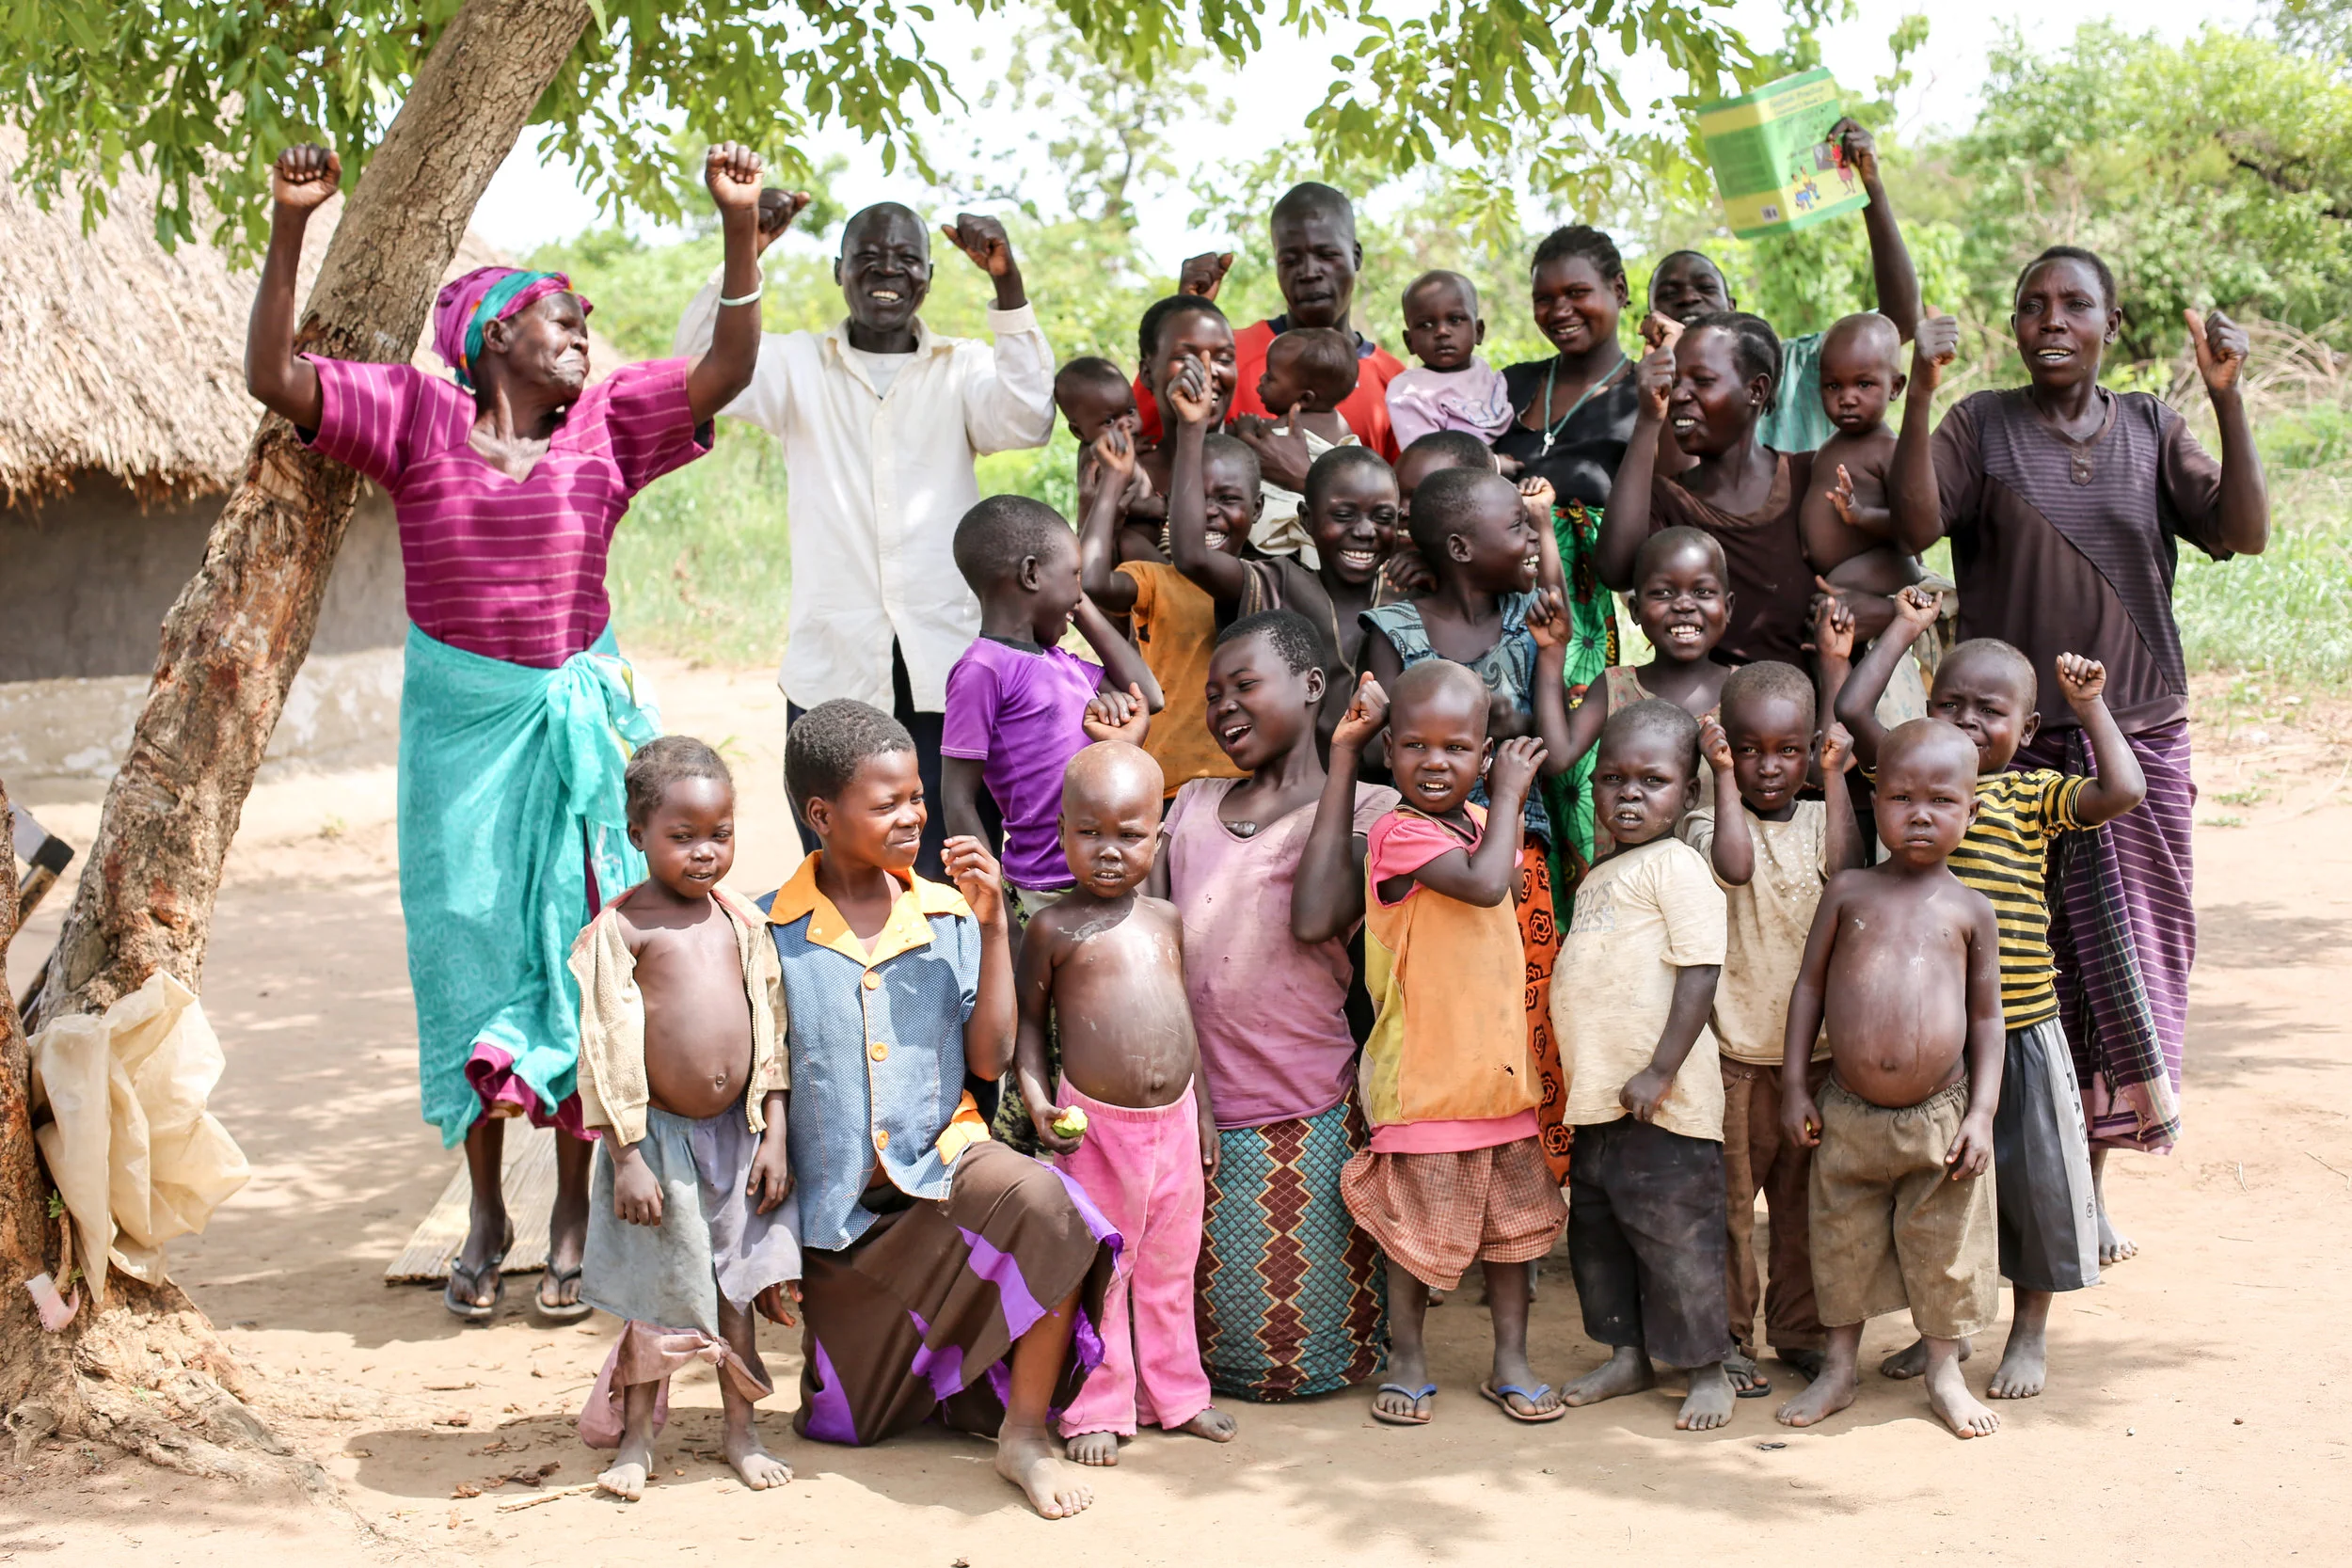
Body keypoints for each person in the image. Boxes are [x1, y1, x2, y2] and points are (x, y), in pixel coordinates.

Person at [246, 142, 769, 1323]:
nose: (583, 329)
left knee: (588, 957)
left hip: (583, 733)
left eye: (584, 318)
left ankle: (573, 1215)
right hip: (463, 737)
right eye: (557, 316)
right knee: (475, 954)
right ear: (491, 337)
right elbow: (274, 374)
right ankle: (487, 1210)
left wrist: (736, 233)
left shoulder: (612, 427)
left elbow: (726, 367)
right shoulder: (416, 417)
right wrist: (291, 228)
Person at [1886, 245, 2269, 1259]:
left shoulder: (2151, 425)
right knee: (2020, 970)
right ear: (2014, 325)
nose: (2051, 320)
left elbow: (2243, 531)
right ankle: (1997, 1183)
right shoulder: (1978, 424)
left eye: (2074, 305)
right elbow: (1918, 520)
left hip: (2132, 740)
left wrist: (2227, 402)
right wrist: (1922, 389)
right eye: (2032, 306)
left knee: (2120, 973)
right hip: (2006, 755)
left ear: (2108, 321)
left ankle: (2082, 1183)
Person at [758, 700, 1118, 1520]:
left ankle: (1024, 1435)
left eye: (916, 796)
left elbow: (988, 1059)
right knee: (842, 1427)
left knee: (1045, 1204)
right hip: (839, 1221)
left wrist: (993, 928)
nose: (913, 815)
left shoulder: (948, 912)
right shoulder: (768, 929)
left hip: (945, 1164)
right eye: (887, 803)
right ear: (821, 815)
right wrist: (768, 1250)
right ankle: (951, 1380)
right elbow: (763, 1087)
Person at [673, 197, 1056, 880]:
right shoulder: (794, 365)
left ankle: (959, 989)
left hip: (948, 668)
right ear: (838, 271)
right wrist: (743, 252)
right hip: (833, 666)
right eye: (869, 258)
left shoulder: (962, 369)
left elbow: (1028, 418)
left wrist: (1008, 284)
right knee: (839, 874)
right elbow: (697, 371)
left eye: (907, 259)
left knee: (951, 872)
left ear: (930, 277)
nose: (888, 272)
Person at [1833, 593, 2148, 1400]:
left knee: (2032, 1185)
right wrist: (1903, 629)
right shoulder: (1916, 779)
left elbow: (2123, 790)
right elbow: (1853, 707)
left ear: (2029, 731)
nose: (1967, 721)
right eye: (1950, 704)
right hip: (1938, 1040)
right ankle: (1947, 1329)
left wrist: (2091, 705)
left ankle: (2029, 1332)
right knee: (1945, 1187)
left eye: (1990, 710)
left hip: (2023, 1024)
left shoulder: (2024, 795)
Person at [1297, 663, 1565, 1425]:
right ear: (1389, 750)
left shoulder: (1487, 828)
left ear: (1484, 754)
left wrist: (1500, 811)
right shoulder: (1397, 833)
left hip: (1498, 1076)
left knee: (1513, 1234)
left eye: (1457, 748)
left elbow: (1503, 889)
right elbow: (1484, 886)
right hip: (1426, 1078)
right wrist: (1510, 794)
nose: (1436, 762)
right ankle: (1408, 1356)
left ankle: (1509, 1359)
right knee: (1413, 1234)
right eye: (1416, 746)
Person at [1163, 612, 1395, 1402]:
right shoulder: (1191, 803)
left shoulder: (1371, 807)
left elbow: (1318, 916)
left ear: (1312, 686)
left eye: (1244, 685)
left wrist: (1343, 759)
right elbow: (1148, 945)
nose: (1223, 706)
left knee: (1306, 1357)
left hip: (1306, 1105)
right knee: (1200, 1337)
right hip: (1188, 1103)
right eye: (1212, 694)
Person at [568, 738, 798, 1499]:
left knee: (736, 1288)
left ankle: (742, 1429)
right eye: (683, 835)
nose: (705, 852)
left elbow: (771, 1026)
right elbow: (603, 1047)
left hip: (735, 1140)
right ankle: (636, 1437)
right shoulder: (623, 930)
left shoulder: (741, 922)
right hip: (657, 1142)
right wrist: (625, 1153)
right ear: (638, 833)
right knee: (655, 1298)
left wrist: (773, 1127)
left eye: (721, 833)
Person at [1774, 718, 2006, 1441]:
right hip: (1846, 1110)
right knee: (1839, 1239)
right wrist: (1793, 1085)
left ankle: (1944, 1369)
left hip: (1940, 1114)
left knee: (1946, 1243)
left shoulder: (1971, 910)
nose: (1921, 813)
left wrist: (1982, 1114)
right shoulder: (1849, 891)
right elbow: (1808, 990)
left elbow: (1989, 1020)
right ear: (1877, 800)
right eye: (1902, 796)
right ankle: (1839, 1368)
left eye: (1943, 799)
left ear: (1972, 811)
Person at [1015, 742, 1239, 1465]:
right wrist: (1037, 1103)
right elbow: (1026, 1030)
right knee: (1101, 1269)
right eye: (1090, 832)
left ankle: (1177, 1395)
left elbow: (1184, 1022)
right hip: (1095, 1131)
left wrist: (1200, 1110)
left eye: (1129, 833)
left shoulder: (1167, 919)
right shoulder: (1051, 928)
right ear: (1061, 830)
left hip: (1172, 1122)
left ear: (1158, 832)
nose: (1109, 851)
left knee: (1173, 1264)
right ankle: (1096, 1406)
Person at [1549, 700, 1735, 1431]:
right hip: (1599, 1104)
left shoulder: (1680, 866)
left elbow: (1700, 969)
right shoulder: (1599, 875)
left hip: (1666, 1106)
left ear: (1687, 794)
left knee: (1679, 1240)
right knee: (1599, 1237)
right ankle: (1627, 1355)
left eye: (1652, 780)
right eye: (1613, 778)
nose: (1628, 793)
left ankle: (1707, 1367)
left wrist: (1660, 1070)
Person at [1680, 665, 1862, 1394]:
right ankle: (1729, 1337)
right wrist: (1718, 776)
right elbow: (1734, 863)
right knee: (1728, 1209)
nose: (1767, 766)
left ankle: (1799, 1332)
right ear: (1724, 747)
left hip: (1813, 1060)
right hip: (1731, 1057)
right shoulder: (1707, 820)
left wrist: (1838, 778)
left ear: (1810, 747)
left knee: (1801, 1210)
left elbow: (1847, 873)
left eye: (1787, 750)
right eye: (1748, 749)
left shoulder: (1823, 819)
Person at [1488, 227, 1639, 891]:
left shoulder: (1645, 395)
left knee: (1580, 786)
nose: (1560, 310)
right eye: (1544, 297)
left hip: (1592, 621)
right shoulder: (1510, 386)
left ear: (1620, 292)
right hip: (1499, 607)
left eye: (1578, 292)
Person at [939, 489, 1164, 922]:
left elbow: (1149, 696)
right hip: (1047, 886)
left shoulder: (1063, 663)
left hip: (1105, 867)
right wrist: (993, 907)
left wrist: (1079, 604)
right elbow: (957, 797)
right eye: (1075, 576)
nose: (1081, 592)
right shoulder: (982, 669)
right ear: (1031, 574)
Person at [1645, 119, 1923, 453]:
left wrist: (1871, 191)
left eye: (1704, 288)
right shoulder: (1642, 393)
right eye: (1669, 294)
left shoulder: (1800, 365)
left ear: (1731, 308)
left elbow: (1901, 324)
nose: (1688, 298)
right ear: (1651, 317)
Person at [1161, 356, 1401, 732]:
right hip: (1299, 791)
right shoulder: (1281, 584)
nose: (1366, 531)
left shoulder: (1408, 597)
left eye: (1383, 518)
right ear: (1306, 519)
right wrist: (1191, 431)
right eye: (1343, 515)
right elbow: (1192, 556)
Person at [1598, 311, 1819, 669]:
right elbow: (1616, 570)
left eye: (1702, 381)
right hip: (1704, 716)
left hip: (1809, 715)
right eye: (1675, 380)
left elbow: (1895, 561)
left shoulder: (1810, 477)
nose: (1680, 394)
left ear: (1756, 390)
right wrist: (1648, 419)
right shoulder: (1666, 500)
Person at [1144, 182, 1406, 467]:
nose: (1309, 273)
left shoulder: (1396, 383)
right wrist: (1184, 317)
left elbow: (1399, 503)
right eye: (1290, 260)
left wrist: (1303, 478)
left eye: (1326, 255)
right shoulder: (1226, 357)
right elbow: (1147, 440)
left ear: (1356, 256)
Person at [1081, 393, 1255, 797]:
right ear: (1172, 508)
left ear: (1257, 508)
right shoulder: (1155, 580)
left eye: (1227, 499)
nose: (1210, 512)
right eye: (1197, 501)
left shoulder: (1265, 582)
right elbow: (1092, 582)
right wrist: (1113, 480)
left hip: (1246, 784)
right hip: (1165, 787)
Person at [1549, 527, 1736, 816]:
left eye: (1702, 591)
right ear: (1635, 610)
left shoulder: (1743, 692)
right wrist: (1552, 650)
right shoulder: (1614, 688)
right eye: (1663, 592)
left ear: (1728, 607)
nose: (1684, 604)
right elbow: (1557, 757)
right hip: (1628, 862)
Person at [1251, 326, 1364, 561]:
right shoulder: (1340, 424)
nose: (1261, 380)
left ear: (1304, 398)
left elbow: (1255, 447)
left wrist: (1243, 428)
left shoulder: (1289, 424)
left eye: (1270, 377)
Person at [1385, 270, 1514, 450]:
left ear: (1479, 331)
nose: (1442, 332)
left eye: (1455, 320)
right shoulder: (1410, 392)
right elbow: (1426, 459)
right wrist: (1496, 465)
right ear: (1409, 342)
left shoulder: (1486, 374)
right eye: (1426, 325)